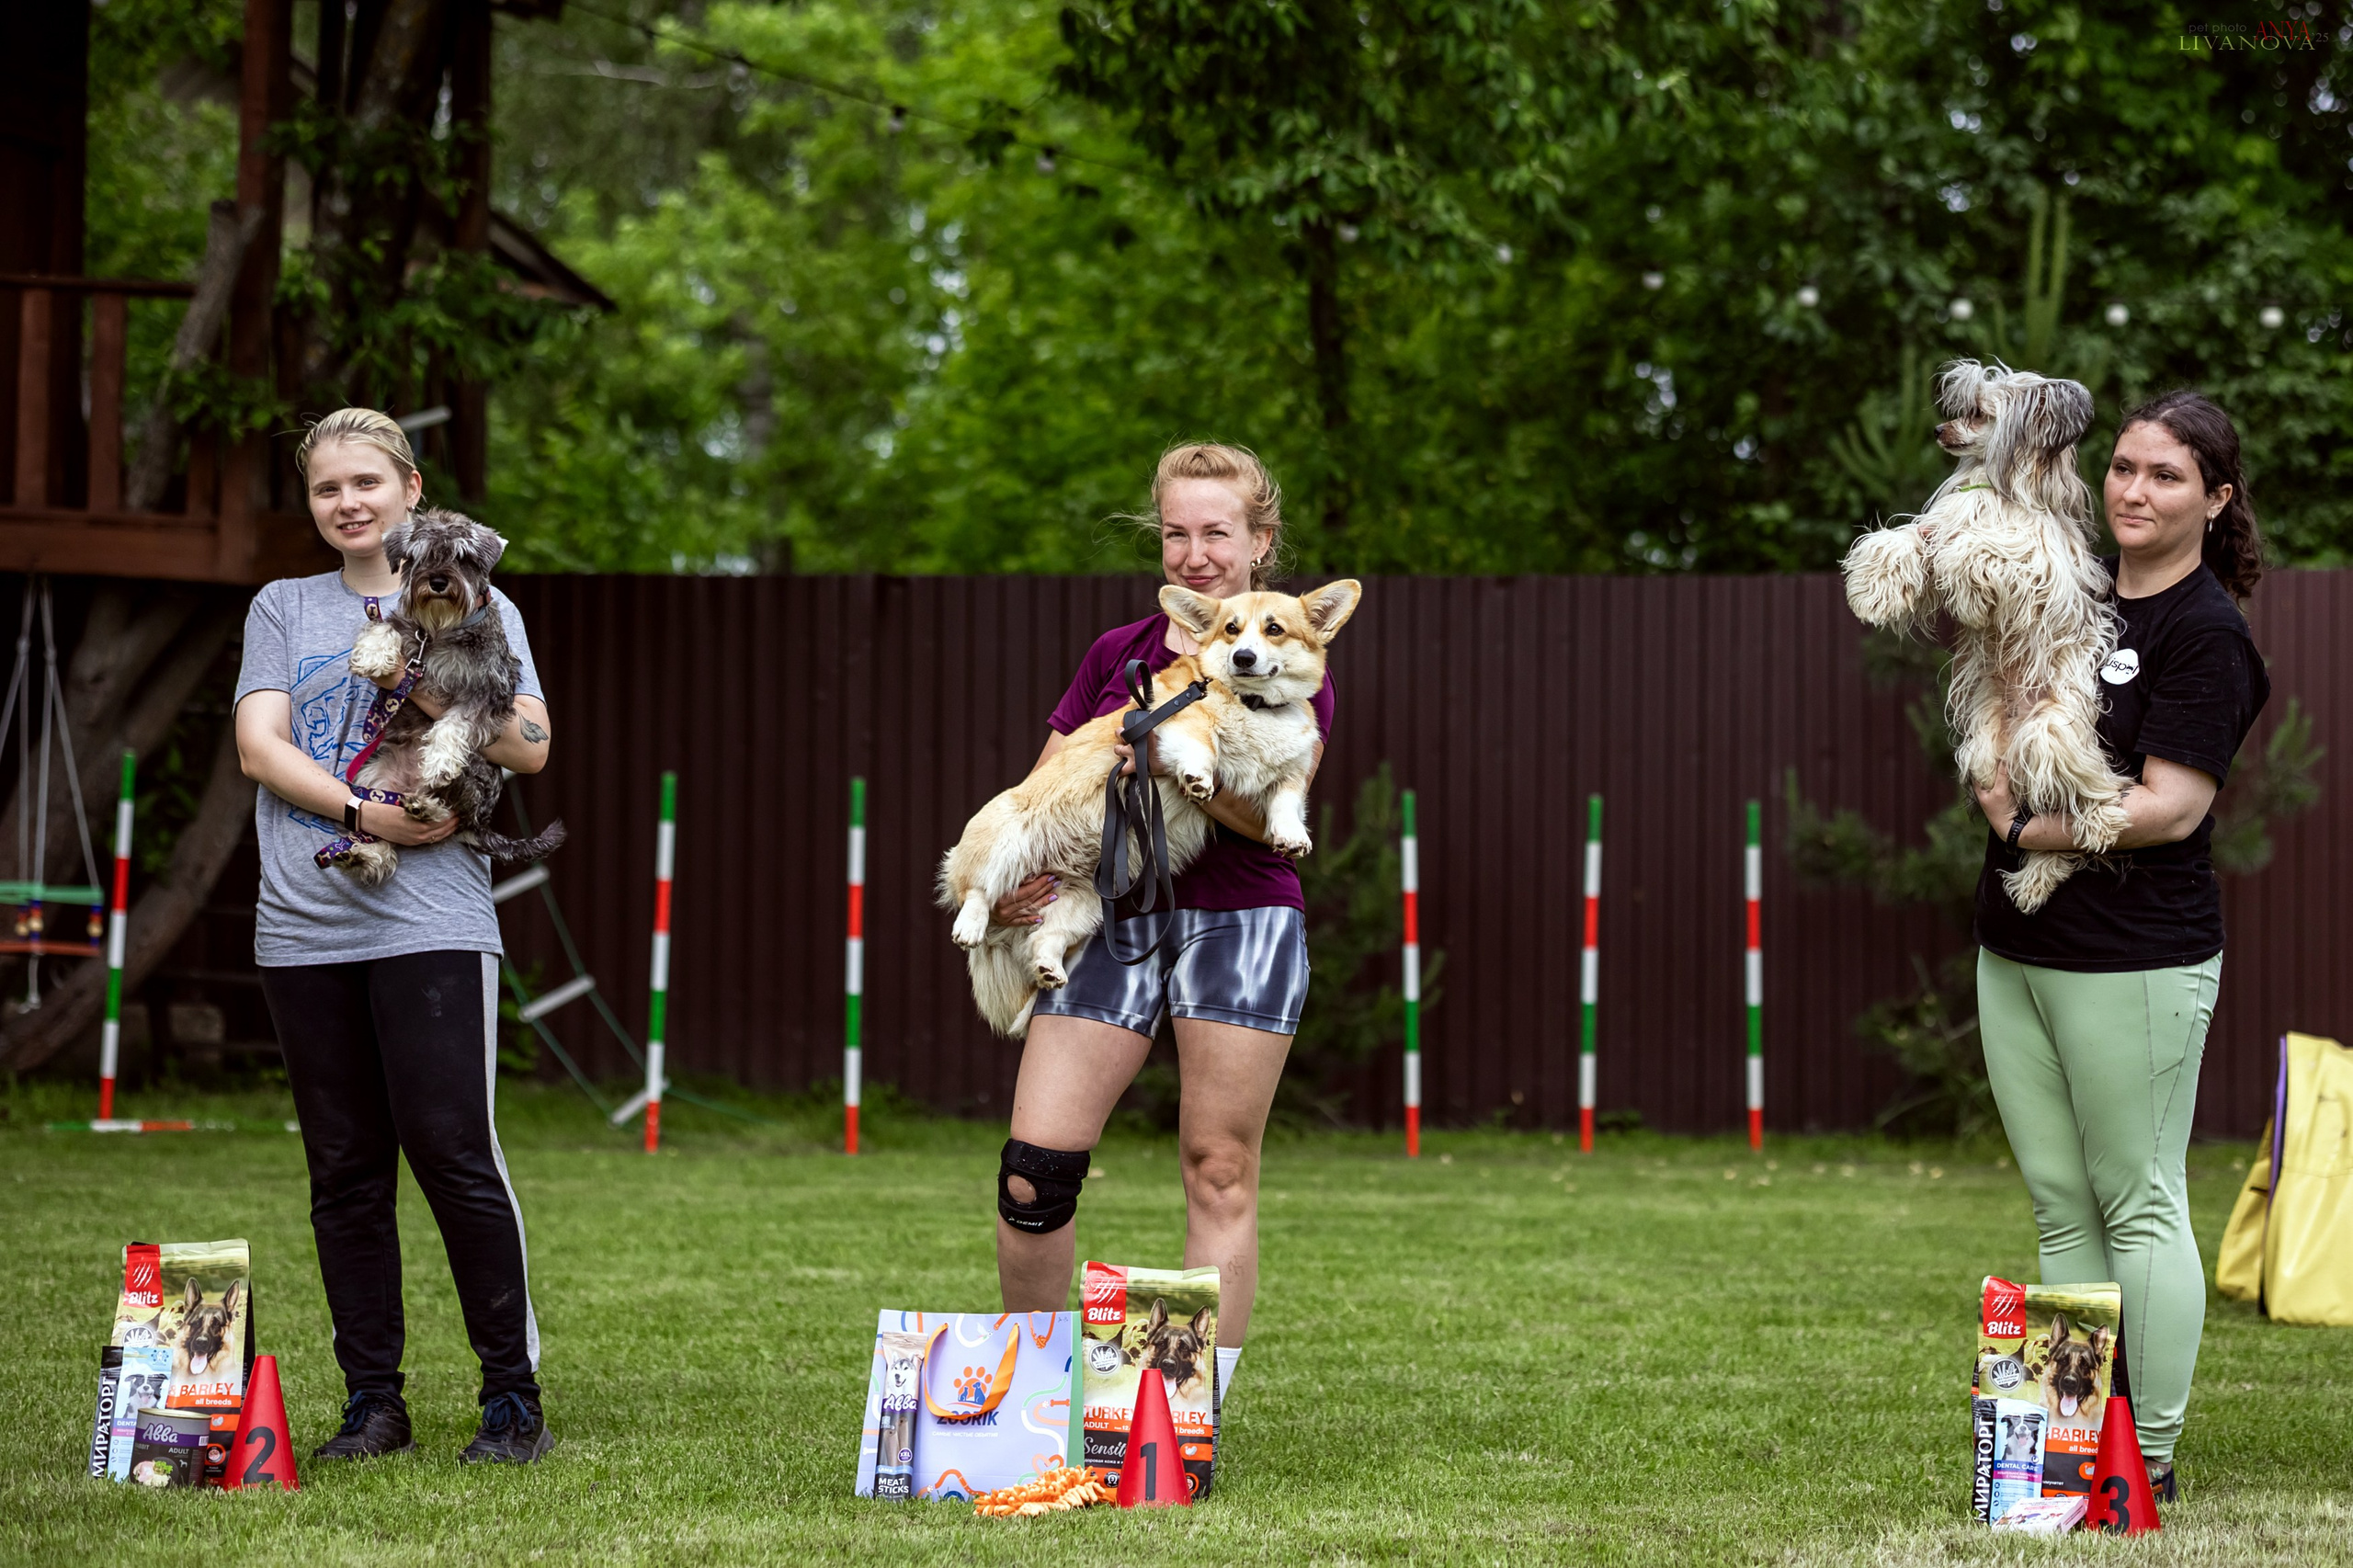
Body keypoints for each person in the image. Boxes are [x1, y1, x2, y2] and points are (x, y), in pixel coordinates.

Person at [232, 407, 557, 1464]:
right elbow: (258, 745)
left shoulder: (482, 597)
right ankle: (374, 1402)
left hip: (433, 921)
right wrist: (360, 815)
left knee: (455, 1154)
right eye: (329, 488)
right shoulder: (281, 606)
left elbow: (533, 743)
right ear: (315, 503)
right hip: (304, 918)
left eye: (367, 482)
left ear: (411, 489)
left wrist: (422, 675)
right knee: (345, 1171)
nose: (349, 502)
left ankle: (511, 1399)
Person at [991, 442, 1331, 1423]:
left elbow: (1269, 803)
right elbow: (1045, 784)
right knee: (1034, 1167)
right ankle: (1026, 1409)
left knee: (1217, 1167)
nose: (1194, 552)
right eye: (1176, 532)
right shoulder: (1117, 652)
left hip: (1243, 916)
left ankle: (1177, 1423)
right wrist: (1018, 873)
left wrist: (1156, 745)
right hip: (1110, 907)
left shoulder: (1293, 643)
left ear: (1258, 541)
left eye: (1216, 532)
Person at [1970, 391, 2269, 1499]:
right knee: (2059, 1202)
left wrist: (2017, 824)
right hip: (2016, 945)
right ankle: (2063, 1449)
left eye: (2167, 476)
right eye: (2126, 468)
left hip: (2136, 956)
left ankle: (2146, 1461)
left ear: (2215, 499)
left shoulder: (2204, 635)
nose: (2134, 491)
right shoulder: (2075, 594)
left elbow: (2167, 809)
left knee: (2139, 1196)